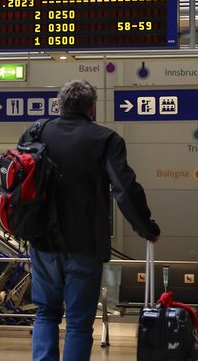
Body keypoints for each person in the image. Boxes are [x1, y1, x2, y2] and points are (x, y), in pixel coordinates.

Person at [25, 79, 161, 361]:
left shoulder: (36, 132)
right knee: (78, 321)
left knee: (46, 313)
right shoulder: (105, 139)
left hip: (42, 241)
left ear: (59, 106)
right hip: (84, 244)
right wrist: (145, 227)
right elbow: (125, 189)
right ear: (92, 108)